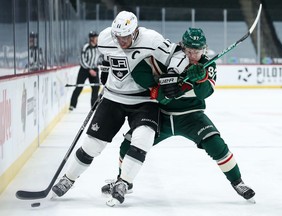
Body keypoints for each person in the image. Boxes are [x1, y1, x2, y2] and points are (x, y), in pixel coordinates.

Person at [101, 28, 256, 202]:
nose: (192, 55)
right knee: (129, 143)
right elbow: (142, 74)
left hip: (191, 117)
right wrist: (161, 89)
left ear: (203, 49)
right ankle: (123, 182)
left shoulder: (208, 64)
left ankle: (238, 182)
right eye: (188, 51)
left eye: (196, 51)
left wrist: (201, 78)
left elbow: (204, 93)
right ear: (181, 47)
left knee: (216, 144)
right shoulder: (168, 57)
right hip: (161, 116)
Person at [52, 11, 188, 206]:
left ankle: (124, 182)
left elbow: (178, 54)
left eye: (125, 36)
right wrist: (106, 70)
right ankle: (68, 178)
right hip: (113, 97)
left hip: (144, 98)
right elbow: (108, 57)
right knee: (92, 144)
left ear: (135, 31)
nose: (121, 41)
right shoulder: (107, 37)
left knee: (144, 137)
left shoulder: (152, 39)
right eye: (119, 36)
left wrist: (173, 73)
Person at [69, 31, 101, 111]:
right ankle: (72, 105)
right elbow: (82, 60)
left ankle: (94, 106)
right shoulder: (86, 47)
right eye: (94, 37)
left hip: (94, 69)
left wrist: (98, 66)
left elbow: (101, 58)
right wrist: (89, 69)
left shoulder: (99, 48)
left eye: (96, 37)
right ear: (91, 38)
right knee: (79, 87)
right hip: (84, 69)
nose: (95, 39)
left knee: (96, 88)